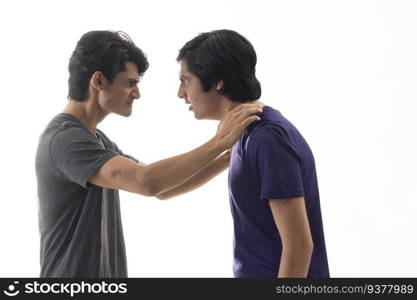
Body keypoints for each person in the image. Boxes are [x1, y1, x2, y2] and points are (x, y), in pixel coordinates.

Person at [35, 30, 262, 278]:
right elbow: (146, 181)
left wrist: (228, 156)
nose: (137, 93)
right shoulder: (64, 139)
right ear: (98, 81)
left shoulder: (97, 141)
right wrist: (219, 141)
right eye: (130, 83)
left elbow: (164, 189)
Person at [174, 29, 330, 277]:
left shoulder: (267, 138)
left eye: (185, 80)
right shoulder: (244, 135)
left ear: (218, 81)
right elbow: (162, 190)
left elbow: (299, 245)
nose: (180, 93)